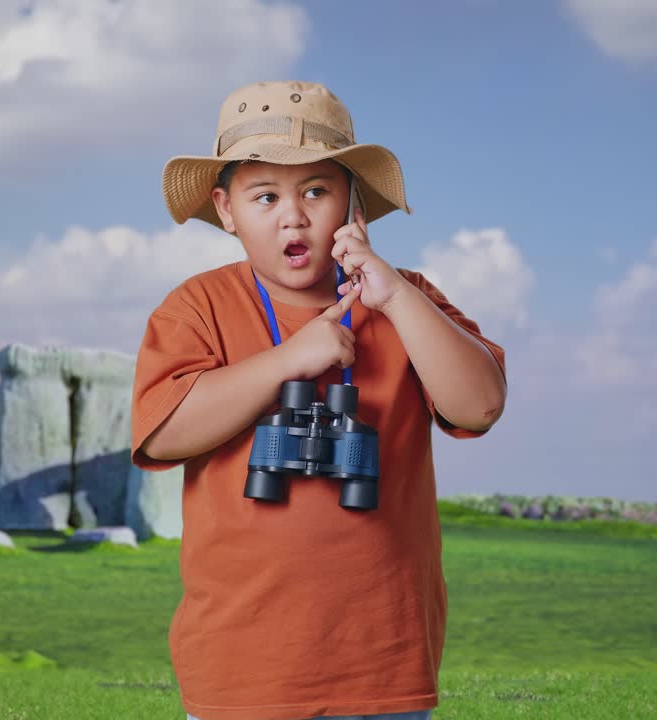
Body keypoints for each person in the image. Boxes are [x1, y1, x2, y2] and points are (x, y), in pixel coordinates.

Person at [130, 80, 508, 720]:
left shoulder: (403, 298)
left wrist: (393, 297)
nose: (293, 216)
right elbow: (162, 433)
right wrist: (287, 362)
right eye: (265, 196)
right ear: (226, 210)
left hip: (383, 659)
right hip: (241, 663)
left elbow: (481, 406)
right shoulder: (197, 307)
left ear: (353, 205)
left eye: (316, 191)